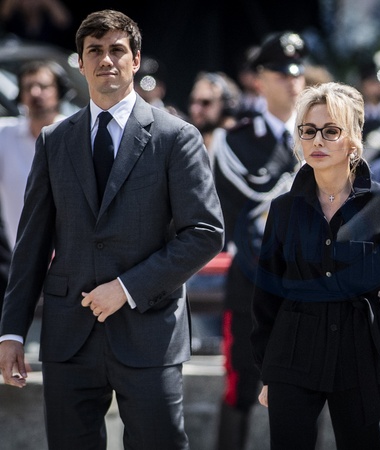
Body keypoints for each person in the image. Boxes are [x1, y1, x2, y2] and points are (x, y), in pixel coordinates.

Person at [0, 9, 224, 449]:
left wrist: (126, 288)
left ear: (135, 60)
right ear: (81, 64)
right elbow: (31, 245)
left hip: (149, 333)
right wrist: (11, 332)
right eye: (95, 51)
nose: (106, 59)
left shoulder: (176, 137)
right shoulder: (54, 140)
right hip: (68, 336)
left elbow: (204, 232)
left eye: (117, 50)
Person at [250, 81, 380, 450]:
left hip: (361, 352)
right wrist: (267, 370)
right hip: (292, 353)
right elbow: (266, 294)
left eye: (331, 131)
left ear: (353, 138)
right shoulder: (283, 208)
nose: (318, 141)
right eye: (308, 131)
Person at [212, 30, 306, 450]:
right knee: (241, 386)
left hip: (308, 282)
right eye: (281, 73)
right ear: (259, 79)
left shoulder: (320, 133)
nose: (292, 81)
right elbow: (248, 203)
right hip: (252, 280)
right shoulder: (235, 138)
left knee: (306, 391)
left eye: (297, 72)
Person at [0, 59, 71, 248]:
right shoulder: (5, 135)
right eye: (28, 87)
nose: (35, 93)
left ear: (60, 91)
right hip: (20, 256)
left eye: (43, 86)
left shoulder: (76, 134)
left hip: (70, 256)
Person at [187, 71, 241, 163]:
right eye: (192, 102)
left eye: (205, 102)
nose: (195, 110)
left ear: (227, 105)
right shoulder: (190, 143)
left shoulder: (239, 144)